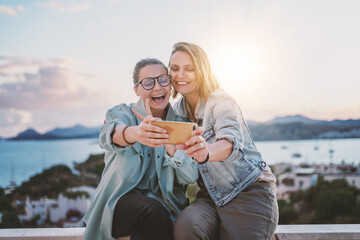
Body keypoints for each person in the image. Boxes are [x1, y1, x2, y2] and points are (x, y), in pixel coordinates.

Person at [169, 42, 279, 240]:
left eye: (189, 69)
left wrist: (206, 153)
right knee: (186, 226)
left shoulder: (221, 101)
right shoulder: (178, 111)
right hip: (210, 197)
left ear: (202, 70)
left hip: (248, 190)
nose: (180, 75)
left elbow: (229, 143)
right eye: (175, 68)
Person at [82, 58, 199, 240]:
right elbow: (110, 134)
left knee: (145, 230)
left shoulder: (181, 124)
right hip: (118, 205)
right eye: (148, 82)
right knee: (151, 210)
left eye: (163, 79)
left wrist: (171, 146)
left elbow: (190, 176)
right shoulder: (121, 113)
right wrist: (134, 133)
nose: (158, 87)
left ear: (170, 85)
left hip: (160, 211)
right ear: (136, 89)